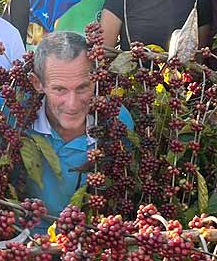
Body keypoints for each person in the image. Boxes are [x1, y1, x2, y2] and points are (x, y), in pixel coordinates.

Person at [21, 31, 133, 220]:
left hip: (89, 231)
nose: (72, 104)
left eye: (82, 87)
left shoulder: (116, 121)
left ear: (96, 79)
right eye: (59, 89)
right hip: (24, 233)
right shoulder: (16, 117)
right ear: (37, 83)